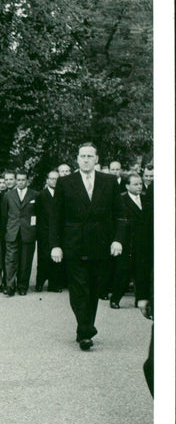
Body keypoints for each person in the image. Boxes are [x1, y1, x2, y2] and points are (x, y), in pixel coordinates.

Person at [51, 143, 125, 351]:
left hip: (100, 245)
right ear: (77, 159)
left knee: (93, 289)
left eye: (89, 156)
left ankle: (84, 325)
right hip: (74, 244)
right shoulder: (66, 183)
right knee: (79, 288)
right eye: (82, 156)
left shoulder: (109, 182)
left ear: (96, 159)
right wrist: (55, 245)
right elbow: (56, 218)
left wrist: (118, 240)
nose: (85, 159)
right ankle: (85, 331)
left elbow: (119, 215)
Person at [109, 173, 152, 309]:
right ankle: (115, 299)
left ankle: (140, 299)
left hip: (143, 241)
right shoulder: (121, 200)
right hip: (128, 242)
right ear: (127, 186)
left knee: (142, 272)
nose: (139, 187)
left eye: (140, 184)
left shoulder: (146, 199)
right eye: (135, 184)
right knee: (123, 272)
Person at [2, 169, 37, 296]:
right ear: (16, 181)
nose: (21, 182)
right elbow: (4, 215)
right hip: (12, 231)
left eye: (23, 180)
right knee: (10, 260)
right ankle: (10, 285)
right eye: (19, 180)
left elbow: (38, 215)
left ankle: (23, 286)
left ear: (27, 181)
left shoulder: (35, 195)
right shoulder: (8, 195)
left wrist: (34, 231)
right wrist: (7, 231)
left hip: (28, 232)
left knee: (26, 260)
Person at [34, 170, 63, 292]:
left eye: (56, 179)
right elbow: (37, 214)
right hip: (44, 231)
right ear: (47, 180)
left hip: (58, 231)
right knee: (43, 257)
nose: (54, 181)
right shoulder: (41, 195)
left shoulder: (62, 194)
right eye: (52, 179)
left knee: (57, 258)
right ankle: (40, 283)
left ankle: (54, 284)